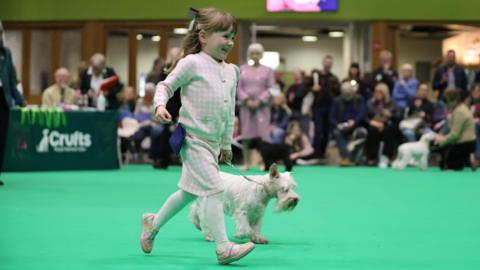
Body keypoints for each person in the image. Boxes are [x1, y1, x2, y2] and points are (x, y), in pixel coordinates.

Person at [143, 8, 255, 265]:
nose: (230, 42)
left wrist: (226, 144)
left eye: (233, 37)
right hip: (192, 141)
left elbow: (229, 112)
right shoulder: (191, 63)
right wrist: (160, 105)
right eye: (224, 36)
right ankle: (223, 247)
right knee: (215, 190)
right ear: (203, 36)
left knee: (187, 193)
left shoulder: (232, 72)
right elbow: (165, 86)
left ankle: (152, 224)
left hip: (213, 143)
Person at [237, 43, 275, 170]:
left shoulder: (268, 70)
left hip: (262, 108)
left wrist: (260, 100)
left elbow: (272, 88)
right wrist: (246, 99)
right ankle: (246, 163)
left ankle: (263, 162)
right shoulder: (242, 68)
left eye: (257, 53)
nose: (255, 56)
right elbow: (238, 87)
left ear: (261, 55)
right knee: (246, 136)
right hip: (246, 107)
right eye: (252, 53)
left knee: (263, 136)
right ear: (249, 55)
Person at [0, 21, 26, 186]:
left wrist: (20, 100)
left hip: (3, 99)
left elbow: (11, 80)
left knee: (1, 138)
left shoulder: (6, 53)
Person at [434, 88, 476, 170]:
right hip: (468, 142)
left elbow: (455, 135)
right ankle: (467, 159)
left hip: (464, 144)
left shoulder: (459, 112)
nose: (445, 104)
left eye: (447, 101)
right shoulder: (462, 108)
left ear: (453, 101)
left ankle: (466, 159)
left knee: (447, 166)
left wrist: (441, 140)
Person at [329, 80, 366, 166]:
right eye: (345, 93)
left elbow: (362, 112)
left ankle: (353, 157)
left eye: (349, 93)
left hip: (356, 126)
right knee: (336, 133)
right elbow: (331, 117)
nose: (347, 95)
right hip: (341, 127)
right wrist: (337, 125)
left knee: (361, 132)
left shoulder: (359, 99)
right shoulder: (336, 101)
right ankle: (346, 158)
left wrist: (354, 121)